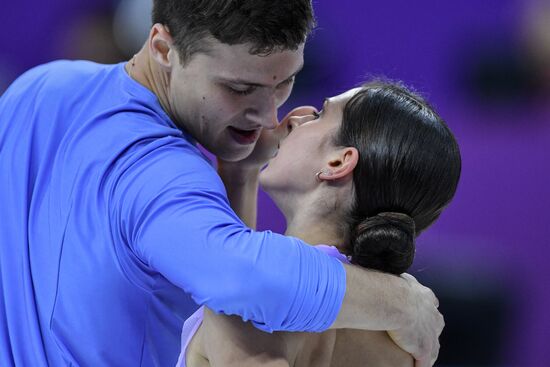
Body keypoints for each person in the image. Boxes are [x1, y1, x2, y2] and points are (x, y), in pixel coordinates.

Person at [0, 1, 442, 365]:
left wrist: (240, 176)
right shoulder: (165, 173)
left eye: (286, 82)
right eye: (239, 88)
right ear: (162, 48)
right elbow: (245, 280)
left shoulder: (40, 86)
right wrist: (401, 303)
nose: (269, 117)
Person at [177, 81, 461, 367]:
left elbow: (254, 275)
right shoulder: (401, 340)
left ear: (337, 162)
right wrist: (240, 171)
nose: (297, 117)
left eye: (319, 115)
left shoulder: (249, 301)